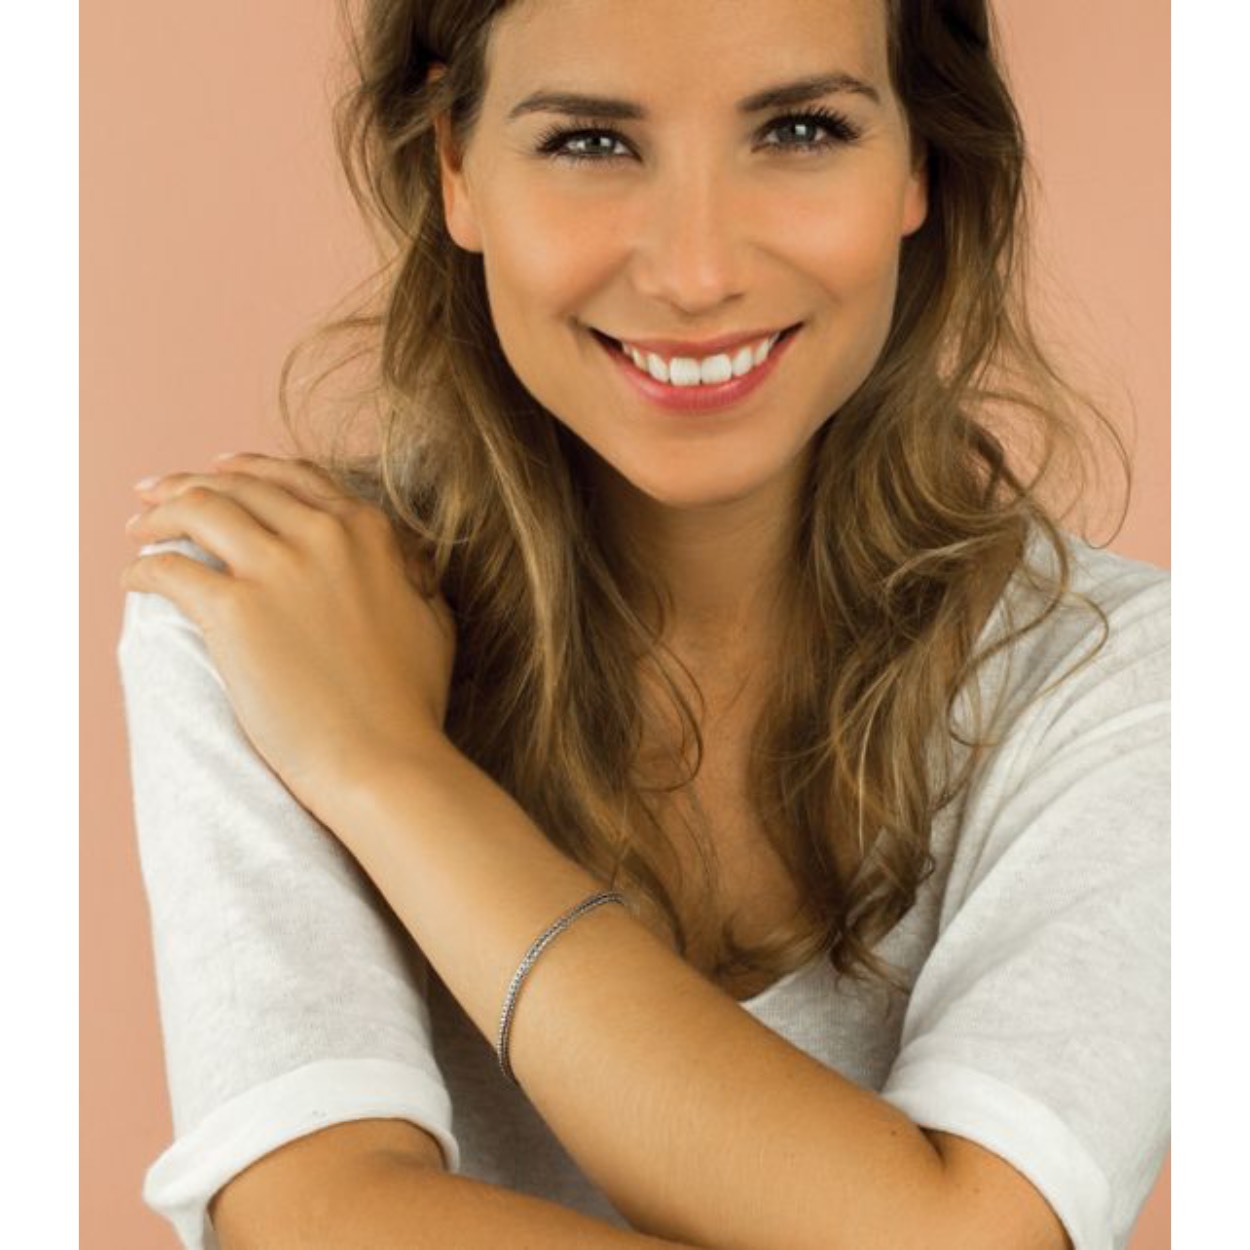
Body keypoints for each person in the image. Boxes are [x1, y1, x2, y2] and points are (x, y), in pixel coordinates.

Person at [117, 1, 1169, 1248]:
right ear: (455, 164)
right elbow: (308, 1220)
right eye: (588, 142)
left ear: (919, 165)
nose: (694, 270)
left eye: (799, 128)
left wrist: (386, 769)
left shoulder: (1130, 681)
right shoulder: (272, 605)